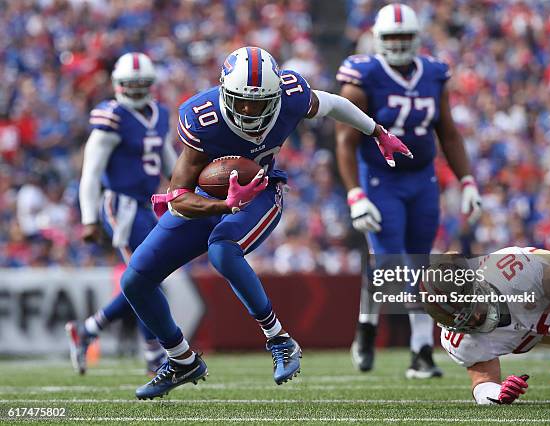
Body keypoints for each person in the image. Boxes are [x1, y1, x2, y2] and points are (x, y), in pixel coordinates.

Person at [119, 46, 409, 400]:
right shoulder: (202, 116)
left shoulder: (291, 95)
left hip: (261, 192)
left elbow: (332, 104)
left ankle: (280, 340)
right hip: (212, 199)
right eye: (240, 102)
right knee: (135, 278)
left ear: (276, 96)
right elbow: (177, 195)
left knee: (223, 252)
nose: (248, 110)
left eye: (257, 103)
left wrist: (376, 131)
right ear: (225, 92)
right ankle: (182, 360)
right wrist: (224, 205)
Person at [335, 3, 482, 378]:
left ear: (416, 39)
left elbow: (447, 131)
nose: (399, 44)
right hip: (382, 179)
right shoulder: (362, 77)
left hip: (423, 179)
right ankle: (420, 350)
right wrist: (355, 194)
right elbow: (345, 140)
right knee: (393, 266)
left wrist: (466, 180)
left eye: (405, 37)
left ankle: (368, 325)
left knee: (417, 263)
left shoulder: (433, 74)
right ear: (378, 40)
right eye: (392, 38)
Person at [65, 52, 177, 375]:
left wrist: (186, 189)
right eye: (131, 84)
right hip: (120, 205)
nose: (136, 90)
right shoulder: (111, 116)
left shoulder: (158, 114)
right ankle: (153, 355)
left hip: (145, 206)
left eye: (141, 84)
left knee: (145, 280)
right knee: (146, 280)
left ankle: (87, 331)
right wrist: (88, 219)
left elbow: (168, 159)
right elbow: (90, 173)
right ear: (118, 85)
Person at [421, 247, 550, 404]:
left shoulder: (516, 273)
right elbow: (482, 382)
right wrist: (498, 393)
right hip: (544, 330)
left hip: (549, 304)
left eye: (473, 306)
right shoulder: (459, 341)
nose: (476, 318)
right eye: (465, 320)